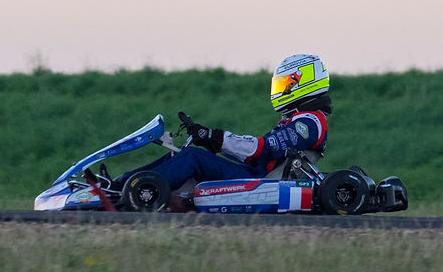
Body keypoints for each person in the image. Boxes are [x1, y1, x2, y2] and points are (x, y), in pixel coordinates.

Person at [111, 54, 332, 195]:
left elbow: (262, 149)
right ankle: (122, 183)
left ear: (304, 83)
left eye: (287, 83)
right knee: (180, 154)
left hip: (260, 182)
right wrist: (211, 141)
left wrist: (215, 136)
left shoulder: (310, 122)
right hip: (257, 173)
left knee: (192, 158)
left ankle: (135, 191)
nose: (282, 89)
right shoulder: (300, 118)